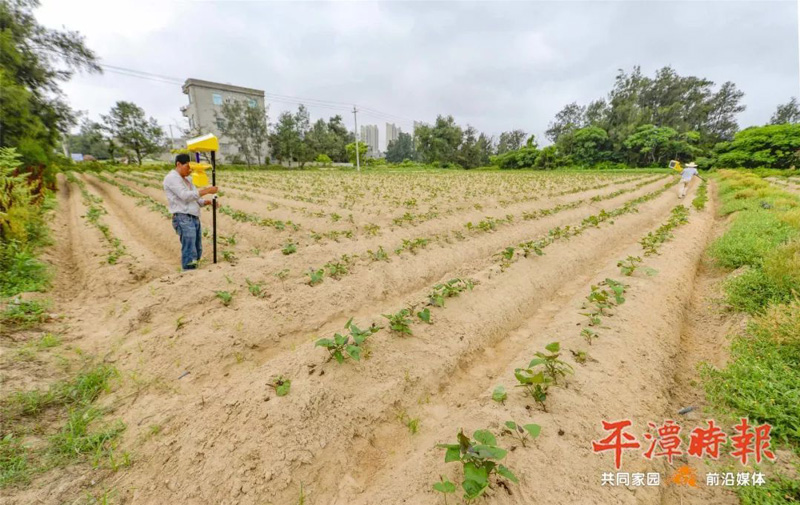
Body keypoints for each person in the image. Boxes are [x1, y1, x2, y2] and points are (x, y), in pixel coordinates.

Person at [163, 154, 218, 270]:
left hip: (194, 218)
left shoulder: (187, 179)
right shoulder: (172, 178)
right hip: (183, 218)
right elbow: (185, 196)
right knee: (190, 249)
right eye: (187, 167)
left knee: (197, 248)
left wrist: (207, 202)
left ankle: (194, 272)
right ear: (178, 164)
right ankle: (189, 273)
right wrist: (207, 190)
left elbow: (196, 199)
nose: (190, 170)